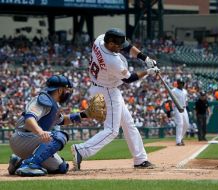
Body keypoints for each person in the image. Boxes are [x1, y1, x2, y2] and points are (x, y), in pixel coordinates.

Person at [71, 28, 159, 170]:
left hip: (101, 86)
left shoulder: (100, 38)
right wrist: (148, 72)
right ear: (110, 43)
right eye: (117, 45)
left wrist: (145, 58)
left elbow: (128, 46)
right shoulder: (112, 61)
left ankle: (140, 159)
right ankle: (81, 150)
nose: (120, 48)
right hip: (107, 91)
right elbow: (129, 79)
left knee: (129, 124)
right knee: (112, 130)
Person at [8, 75, 90, 176]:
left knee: (61, 168)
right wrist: (40, 132)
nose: (68, 93)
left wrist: (85, 114)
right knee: (59, 136)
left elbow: (62, 120)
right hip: (23, 137)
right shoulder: (43, 100)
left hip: (30, 140)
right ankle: (30, 164)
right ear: (60, 90)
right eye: (67, 90)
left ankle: (18, 161)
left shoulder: (52, 102)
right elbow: (29, 120)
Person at [172, 78, 189, 146]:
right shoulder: (174, 90)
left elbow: (186, 101)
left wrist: (189, 110)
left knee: (187, 124)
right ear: (178, 84)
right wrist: (170, 110)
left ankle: (181, 138)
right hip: (178, 108)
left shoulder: (185, 91)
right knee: (180, 124)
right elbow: (170, 100)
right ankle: (178, 141)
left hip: (184, 108)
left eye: (182, 83)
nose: (181, 84)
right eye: (180, 83)